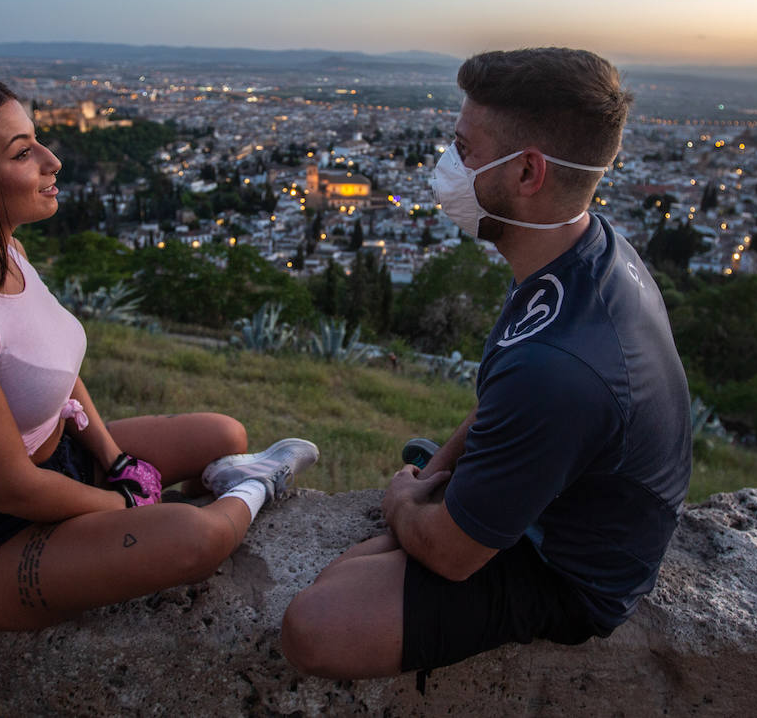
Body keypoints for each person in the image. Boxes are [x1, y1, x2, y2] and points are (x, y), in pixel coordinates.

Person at [0, 70, 318, 640]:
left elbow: (60, 375)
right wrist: (125, 507)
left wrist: (116, 460)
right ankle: (255, 487)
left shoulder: (8, 253)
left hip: (65, 462)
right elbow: (11, 488)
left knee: (224, 434)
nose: (53, 161)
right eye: (23, 152)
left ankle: (189, 495)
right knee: (196, 539)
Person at [281, 48, 691, 677]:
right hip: (566, 496)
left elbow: (450, 556)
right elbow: (503, 400)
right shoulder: (587, 253)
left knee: (315, 624)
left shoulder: (560, 365)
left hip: (572, 570)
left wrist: (401, 504)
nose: (448, 164)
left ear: (528, 172)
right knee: (358, 564)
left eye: (464, 149)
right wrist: (434, 474)